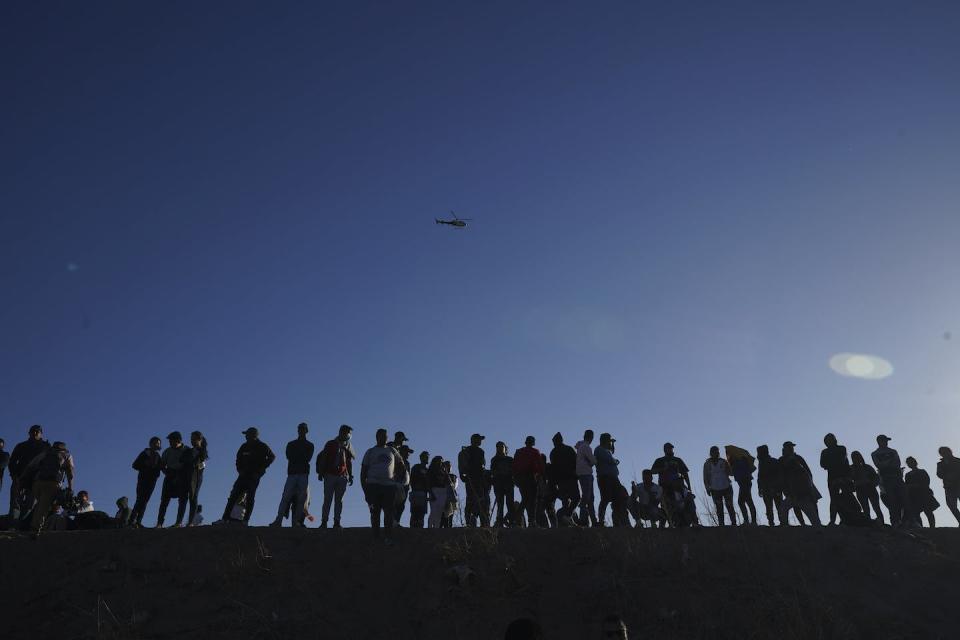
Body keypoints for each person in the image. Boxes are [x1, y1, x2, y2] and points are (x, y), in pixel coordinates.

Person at [220, 427, 276, 524]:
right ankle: (225, 519)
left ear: (253, 435)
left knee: (250, 497)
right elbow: (238, 459)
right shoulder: (244, 446)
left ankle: (245, 520)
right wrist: (239, 470)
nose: (246, 436)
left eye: (247, 434)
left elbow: (272, 457)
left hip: (254, 476)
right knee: (233, 496)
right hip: (243, 475)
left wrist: (261, 470)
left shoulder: (262, 446)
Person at [360, 428, 403, 542]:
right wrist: (365, 490)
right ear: (377, 437)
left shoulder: (392, 450)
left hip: (389, 486)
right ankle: (376, 536)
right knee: (375, 512)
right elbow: (363, 471)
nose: (384, 438)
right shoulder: (370, 452)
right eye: (382, 435)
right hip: (373, 485)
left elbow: (401, 464)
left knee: (388, 512)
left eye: (386, 436)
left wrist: (398, 479)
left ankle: (388, 536)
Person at [24, 440, 74, 534]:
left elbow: (30, 466)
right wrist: (70, 487)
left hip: (37, 483)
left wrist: (23, 480)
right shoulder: (67, 455)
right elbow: (70, 472)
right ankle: (35, 529)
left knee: (39, 505)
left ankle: (31, 525)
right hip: (52, 484)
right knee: (44, 507)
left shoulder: (45, 454)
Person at [271, 423, 314, 528]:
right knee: (285, 497)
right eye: (300, 429)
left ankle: (296, 522)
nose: (301, 431)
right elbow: (289, 456)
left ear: (306, 431)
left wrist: (298, 456)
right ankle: (278, 520)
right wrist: (299, 456)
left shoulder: (309, 445)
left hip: (303, 474)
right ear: (298, 430)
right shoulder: (291, 444)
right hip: (292, 473)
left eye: (303, 429)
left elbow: (307, 458)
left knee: (301, 500)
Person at [317, 424, 356, 529]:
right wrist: (321, 472)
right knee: (327, 500)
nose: (348, 435)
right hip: (330, 475)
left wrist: (350, 475)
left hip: (342, 476)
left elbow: (349, 462)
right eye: (347, 432)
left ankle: (337, 522)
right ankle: (324, 521)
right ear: (341, 432)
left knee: (339, 501)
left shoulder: (348, 446)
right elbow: (324, 458)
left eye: (349, 433)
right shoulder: (331, 444)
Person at [7, 425, 49, 521]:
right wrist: (14, 476)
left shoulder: (46, 447)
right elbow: (12, 461)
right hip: (20, 477)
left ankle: (22, 526)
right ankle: (13, 526)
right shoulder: (21, 445)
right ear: (29, 433)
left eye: (37, 431)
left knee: (30, 504)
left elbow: (49, 463)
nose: (34, 433)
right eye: (33, 431)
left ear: (41, 433)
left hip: (36, 480)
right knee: (15, 504)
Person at [779, 441, 821, 526]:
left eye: (791, 447)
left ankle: (817, 525)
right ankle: (801, 524)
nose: (791, 448)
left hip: (802, 489)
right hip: (793, 489)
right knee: (788, 507)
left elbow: (808, 472)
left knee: (810, 507)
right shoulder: (782, 460)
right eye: (789, 447)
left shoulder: (797, 458)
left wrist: (810, 485)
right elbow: (782, 475)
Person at [819, 433, 852, 526]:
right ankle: (833, 520)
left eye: (831, 439)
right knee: (834, 499)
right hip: (832, 477)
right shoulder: (825, 452)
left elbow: (842, 460)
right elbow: (823, 464)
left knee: (847, 496)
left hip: (843, 476)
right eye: (828, 440)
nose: (830, 442)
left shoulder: (841, 448)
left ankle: (848, 518)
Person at [871, 435, 905, 526]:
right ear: (879, 441)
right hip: (886, 479)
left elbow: (897, 463)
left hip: (897, 477)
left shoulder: (893, 451)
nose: (886, 442)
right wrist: (889, 463)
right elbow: (879, 465)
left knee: (903, 498)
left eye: (886, 441)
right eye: (884, 440)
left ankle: (907, 521)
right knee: (892, 500)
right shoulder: (874, 453)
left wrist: (887, 464)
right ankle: (895, 521)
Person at [513, 436, 546, 527]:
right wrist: (543, 478)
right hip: (530, 478)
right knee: (532, 500)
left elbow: (514, 466)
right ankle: (532, 521)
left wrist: (515, 479)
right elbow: (540, 466)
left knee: (525, 499)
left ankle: (517, 519)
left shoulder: (518, 452)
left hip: (520, 479)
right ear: (533, 443)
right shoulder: (535, 452)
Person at [459, 433, 490, 527]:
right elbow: (462, 464)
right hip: (471, 477)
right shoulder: (466, 451)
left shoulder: (481, 451)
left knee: (481, 499)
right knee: (471, 499)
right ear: (474, 440)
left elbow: (483, 465)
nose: (480, 441)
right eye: (479, 439)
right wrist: (463, 474)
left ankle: (482, 520)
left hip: (481, 478)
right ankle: (469, 520)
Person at [156, 431, 187, 528]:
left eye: (171, 440)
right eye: (169, 440)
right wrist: (166, 472)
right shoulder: (167, 451)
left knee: (182, 499)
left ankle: (178, 522)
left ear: (178, 440)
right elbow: (162, 464)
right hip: (170, 475)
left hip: (182, 475)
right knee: (164, 500)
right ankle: (159, 523)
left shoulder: (186, 450)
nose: (169, 442)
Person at [130, 437, 163, 527]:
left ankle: (138, 522)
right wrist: (145, 465)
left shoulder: (158, 456)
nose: (157, 445)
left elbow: (162, 468)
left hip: (152, 482)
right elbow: (135, 465)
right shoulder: (144, 453)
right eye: (155, 443)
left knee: (145, 501)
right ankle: (131, 520)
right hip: (143, 479)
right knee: (140, 499)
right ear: (151, 443)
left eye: (159, 443)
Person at [549, 432, 580, 526]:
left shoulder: (553, 452)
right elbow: (576, 462)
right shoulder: (568, 449)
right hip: (569, 478)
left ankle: (566, 518)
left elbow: (553, 468)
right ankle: (567, 516)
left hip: (562, 480)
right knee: (576, 498)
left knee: (566, 500)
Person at [595, 433, 624, 526]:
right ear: (605, 440)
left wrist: (613, 444)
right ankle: (601, 520)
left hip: (613, 478)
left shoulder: (607, 450)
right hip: (605, 478)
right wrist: (615, 461)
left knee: (618, 498)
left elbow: (612, 451)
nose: (610, 443)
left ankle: (617, 521)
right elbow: (610, 460)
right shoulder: (599, 449)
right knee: (606, 498)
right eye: (609, 441)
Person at [181, 431, 208, 527]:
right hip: (186, 475)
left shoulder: (202, 451)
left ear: (199, 440)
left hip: (196, 477)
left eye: (194, 439)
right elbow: (182, 460)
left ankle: (191, 521)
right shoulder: (188, 450)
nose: (192, 441)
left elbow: (199, 463)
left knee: (193, 497)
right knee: (183, 497)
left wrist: (192, 462)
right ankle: (179, 521)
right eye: (191, 439)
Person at [703, 446, 736, 525]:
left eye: (717, 452)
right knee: (719, 508)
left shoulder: (723, 461)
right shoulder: (707, 464)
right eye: (714, 452)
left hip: (726, 487)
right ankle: (721, 525)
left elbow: (731, 473)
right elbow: (705, 477)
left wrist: (731, 464)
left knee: (730, 506)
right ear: (711, 453)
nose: (716, 453)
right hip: (715, 489)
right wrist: (707, 488)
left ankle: (734, 523)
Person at [904, 456, 938, 528]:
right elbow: (907, 485)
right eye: (909, 463)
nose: (911, 464)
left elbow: (926, 482)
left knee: (928, 511)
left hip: (924, 494)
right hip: (913, 495)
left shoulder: (922, 471)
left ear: (915, 462)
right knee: (916, 513)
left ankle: (932, 527)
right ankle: (921, 527)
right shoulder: (908, 475)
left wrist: (915, 486)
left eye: (912, 462)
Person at [850, 451, 883, 524]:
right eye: (854, 457)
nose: (856, 458)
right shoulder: (851, 468)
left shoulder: (867, 467)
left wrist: (873, 484)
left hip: (870, 487)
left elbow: (876, 477)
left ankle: (881, 523)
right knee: (865, 508)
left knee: (876, 507)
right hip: (860, 488)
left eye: (857, 456)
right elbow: (849, 479)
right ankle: (868, 523)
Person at [756, 445, 784, 526]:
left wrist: (778, 486)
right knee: (771, 507)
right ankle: (775, 522)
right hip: (768, 488)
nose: (758, 455)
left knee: (776, 506)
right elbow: (760, 476)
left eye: (759, 453)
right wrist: (759, 487)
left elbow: (779, 475)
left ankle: (780, 522)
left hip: (773, 488)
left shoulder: (772, 461)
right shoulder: (763, 463)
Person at [728, 446, 757, 525]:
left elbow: (733, 473)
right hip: (744, 483)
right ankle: (751, 521)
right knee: (747, 501)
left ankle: (749, 521)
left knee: (743, 501)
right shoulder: (739, 462)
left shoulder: (739, 462)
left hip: (745, 483)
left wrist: (730, 464)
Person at [575, 429, 598, 527]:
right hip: (586, 473)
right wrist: (593, 461)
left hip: (581, 473)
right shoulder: (586, 447)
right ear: (591, 437)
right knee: (588, 497)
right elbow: (593, 461)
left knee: (589, 497)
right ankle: (584, 519)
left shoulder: (580, 447)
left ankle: (592, 520)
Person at [490, 441, 516, 527]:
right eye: (498, 447)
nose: (500, 448)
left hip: (508, 482)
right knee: (500, 503)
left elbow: (514, 471)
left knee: (510, 503)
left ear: (505, 448)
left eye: (501, 446)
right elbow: (492, 471)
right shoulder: (494, 460)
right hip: (498, 483)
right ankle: (499, 522)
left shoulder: (510, 459)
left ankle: (512, 521)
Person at [936, 446, 960, 526]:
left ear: (949, 451)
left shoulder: (958, 461)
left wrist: (954, 475)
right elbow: (939, 474)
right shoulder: (940, 464)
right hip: (949, 487)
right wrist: (946, 475)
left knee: (951, 505)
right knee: (951, 505)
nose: (943, 454)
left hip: (958, 485)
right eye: (942, 453)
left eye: (945, 452)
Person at [409, 451, 431, 528]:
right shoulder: (416, 467)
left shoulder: (428, 470)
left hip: (424, 493)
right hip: (416, 492)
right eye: (426, 457)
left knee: (422, 512)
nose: (427, 458)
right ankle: (413, 526)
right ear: (421, 458)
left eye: (428, 457)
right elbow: (411, 479)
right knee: (415, 511)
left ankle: (420, 527)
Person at [394, 444, 412, 526]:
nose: (408, 454)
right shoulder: (396, 460)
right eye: (407, 452)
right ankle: (392, 522)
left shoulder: (407, 463)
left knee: (401, 506)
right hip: (396, 485)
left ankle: (397, 521)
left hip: (405, 487)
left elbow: (408, 474)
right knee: (394, 504)